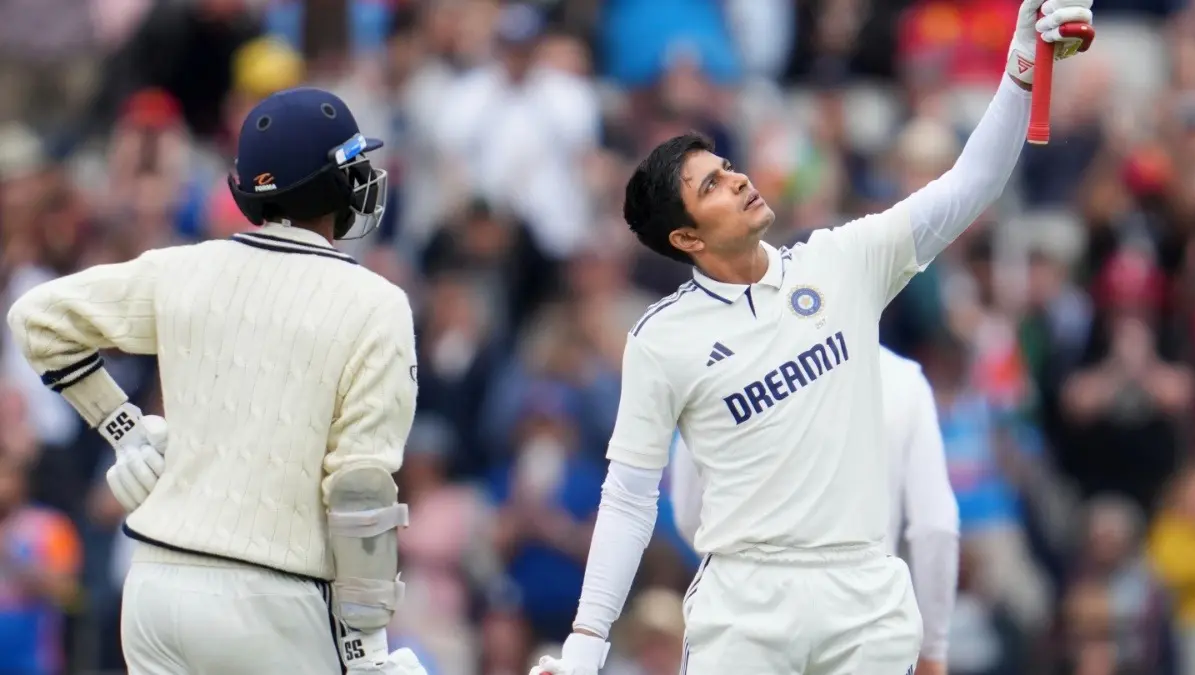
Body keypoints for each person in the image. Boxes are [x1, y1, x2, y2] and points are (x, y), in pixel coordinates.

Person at [528, 2, 1095, 674]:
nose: (738, 179)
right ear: (686, 237)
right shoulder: (661, 339)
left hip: (863, 592)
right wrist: (588, 641)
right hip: (743, 605)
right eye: (711, 185)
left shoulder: (841, 260)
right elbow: (628, 495)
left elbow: (971, 183)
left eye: (727, 166)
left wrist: (1023, 61)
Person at [6, 87, 428, 675]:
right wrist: (367, 647)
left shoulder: (185, 268)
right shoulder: (376, 304)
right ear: (334, 182)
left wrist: (121, 427)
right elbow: (359, 490)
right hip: (273, 598)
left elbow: (36, 318)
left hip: (155, 589)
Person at [669, 346, 960, 675]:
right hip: (867, 619)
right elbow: (935, 528)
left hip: (749, 615)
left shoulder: (727, 365)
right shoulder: (902, 379)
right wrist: (933, 649)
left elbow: (688, 510)